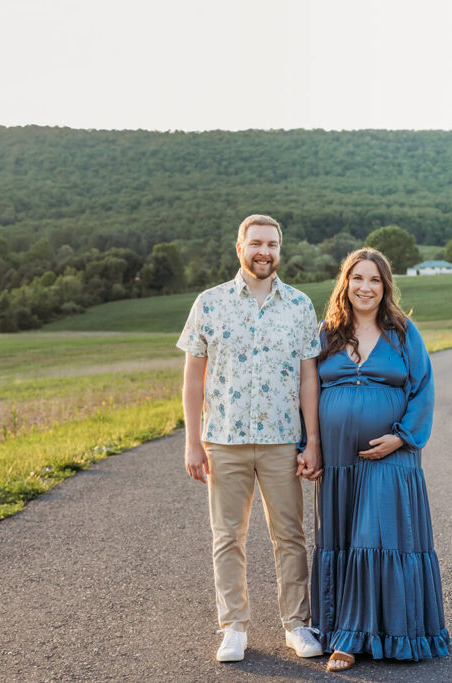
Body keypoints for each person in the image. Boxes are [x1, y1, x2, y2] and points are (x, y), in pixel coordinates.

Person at [178, 214, 325, 663]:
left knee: (290, 536)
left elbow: (308, 378)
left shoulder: (299, 306)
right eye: (257, 243)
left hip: (283, 439)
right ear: (239, 247)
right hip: (224, 439)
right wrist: (192, 441)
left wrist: (312, 439)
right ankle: (234, 628)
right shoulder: (209, 303)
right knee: (227, 536)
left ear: (280, 250)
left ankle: (296, 625)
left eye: (272, 245)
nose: (265, 252)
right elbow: (192, 379)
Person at [309, 248, 449, 672]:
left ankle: (366, 638)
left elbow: (423, 387)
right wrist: (307, 444)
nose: (365, 287)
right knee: (344, 541)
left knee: (378, 539)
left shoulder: (403, 331)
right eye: (357, 278)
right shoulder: (327, 331)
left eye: (374, 279)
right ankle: (340, 628)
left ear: (386, 286)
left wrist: (401, 437)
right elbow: (306, 389)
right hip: (337, 460)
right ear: (345, 284)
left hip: (391, 453)